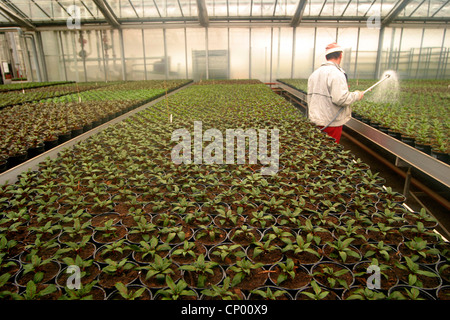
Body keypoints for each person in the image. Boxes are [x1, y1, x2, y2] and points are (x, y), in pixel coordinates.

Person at [307, 42, 364, 143]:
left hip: (315, 119)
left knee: (317, 147)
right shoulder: (337, 73)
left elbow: (310, 98)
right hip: (331, 121)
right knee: (330, 150)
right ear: (341, 55)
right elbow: (340, 99)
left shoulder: (315, 74)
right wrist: (357, 95)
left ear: (326, 57)